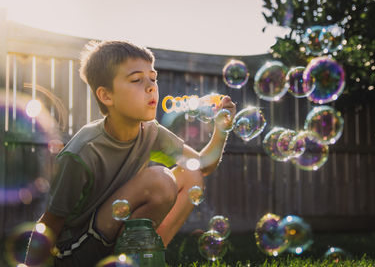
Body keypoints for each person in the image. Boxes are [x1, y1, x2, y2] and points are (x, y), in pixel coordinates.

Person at [26, 40, 236, 266]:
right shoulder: (83, 151)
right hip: (76, 252)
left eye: (153, 79)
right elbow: (51, 222)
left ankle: (148, 256)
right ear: (107, 96)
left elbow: (202, 165)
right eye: (136, 80)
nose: (151, 87)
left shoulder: (151, 132)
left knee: (190, 174)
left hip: (112, 233)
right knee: (160, 180)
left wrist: (221, 129)